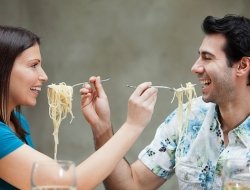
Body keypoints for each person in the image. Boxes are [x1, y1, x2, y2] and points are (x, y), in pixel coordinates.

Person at [82, 14, 250, 189]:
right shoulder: (188, 117)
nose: (195, 67)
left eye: (207, 57)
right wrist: (102, 128)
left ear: (242, 66)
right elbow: (134, 185)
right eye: (199, 56)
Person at [0, 25, 158, 190]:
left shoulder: (18, 122)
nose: (44, 76)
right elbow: (64, 185)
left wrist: (101, 126)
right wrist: (133, 125)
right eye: (33, 65)